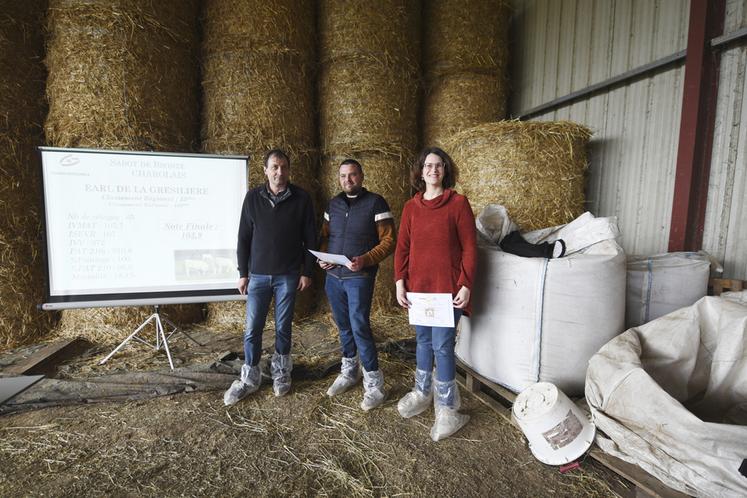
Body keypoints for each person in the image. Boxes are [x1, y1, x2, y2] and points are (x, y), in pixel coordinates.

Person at [394, 146, 477, 441]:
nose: (433, 170)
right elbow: (402, 247)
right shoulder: (411, 207)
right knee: (423, 340)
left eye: (439, 166)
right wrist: (399, 281)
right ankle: (421, 391)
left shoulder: (458, 204)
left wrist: (466, 283)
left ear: (445, 170)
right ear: (421, 171)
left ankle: (447, 408)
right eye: (428, 165)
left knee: (442, 345)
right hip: (419, 289)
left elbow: (469, 247)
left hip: (446, 290)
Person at [224, 149, 316, 405]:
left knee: (283, 328)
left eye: (284, 167)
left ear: (289, 170)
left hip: (287, 275)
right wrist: (243, 273)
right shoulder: (253, 198)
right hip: (259, 276)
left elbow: (310, 238)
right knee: (252, 329)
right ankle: (250, 377)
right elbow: (243, 237)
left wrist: (307, 271)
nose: (279, 172)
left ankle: (281, 373)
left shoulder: (301, 199)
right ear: (265, 170)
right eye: (274, 167)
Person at [318, 159, 396, 411]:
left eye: (352, 175)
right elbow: (325, 236)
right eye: (343, 176)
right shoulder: (334, 203)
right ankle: (350, 371)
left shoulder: (375, 202)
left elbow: (388, 241)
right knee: (342, 325)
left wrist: (365, 259)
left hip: (359, 277)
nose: (347, 180)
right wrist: (322, 257)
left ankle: (374, 383)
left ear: (361, 176)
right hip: (334, 277)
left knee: (359, 325)